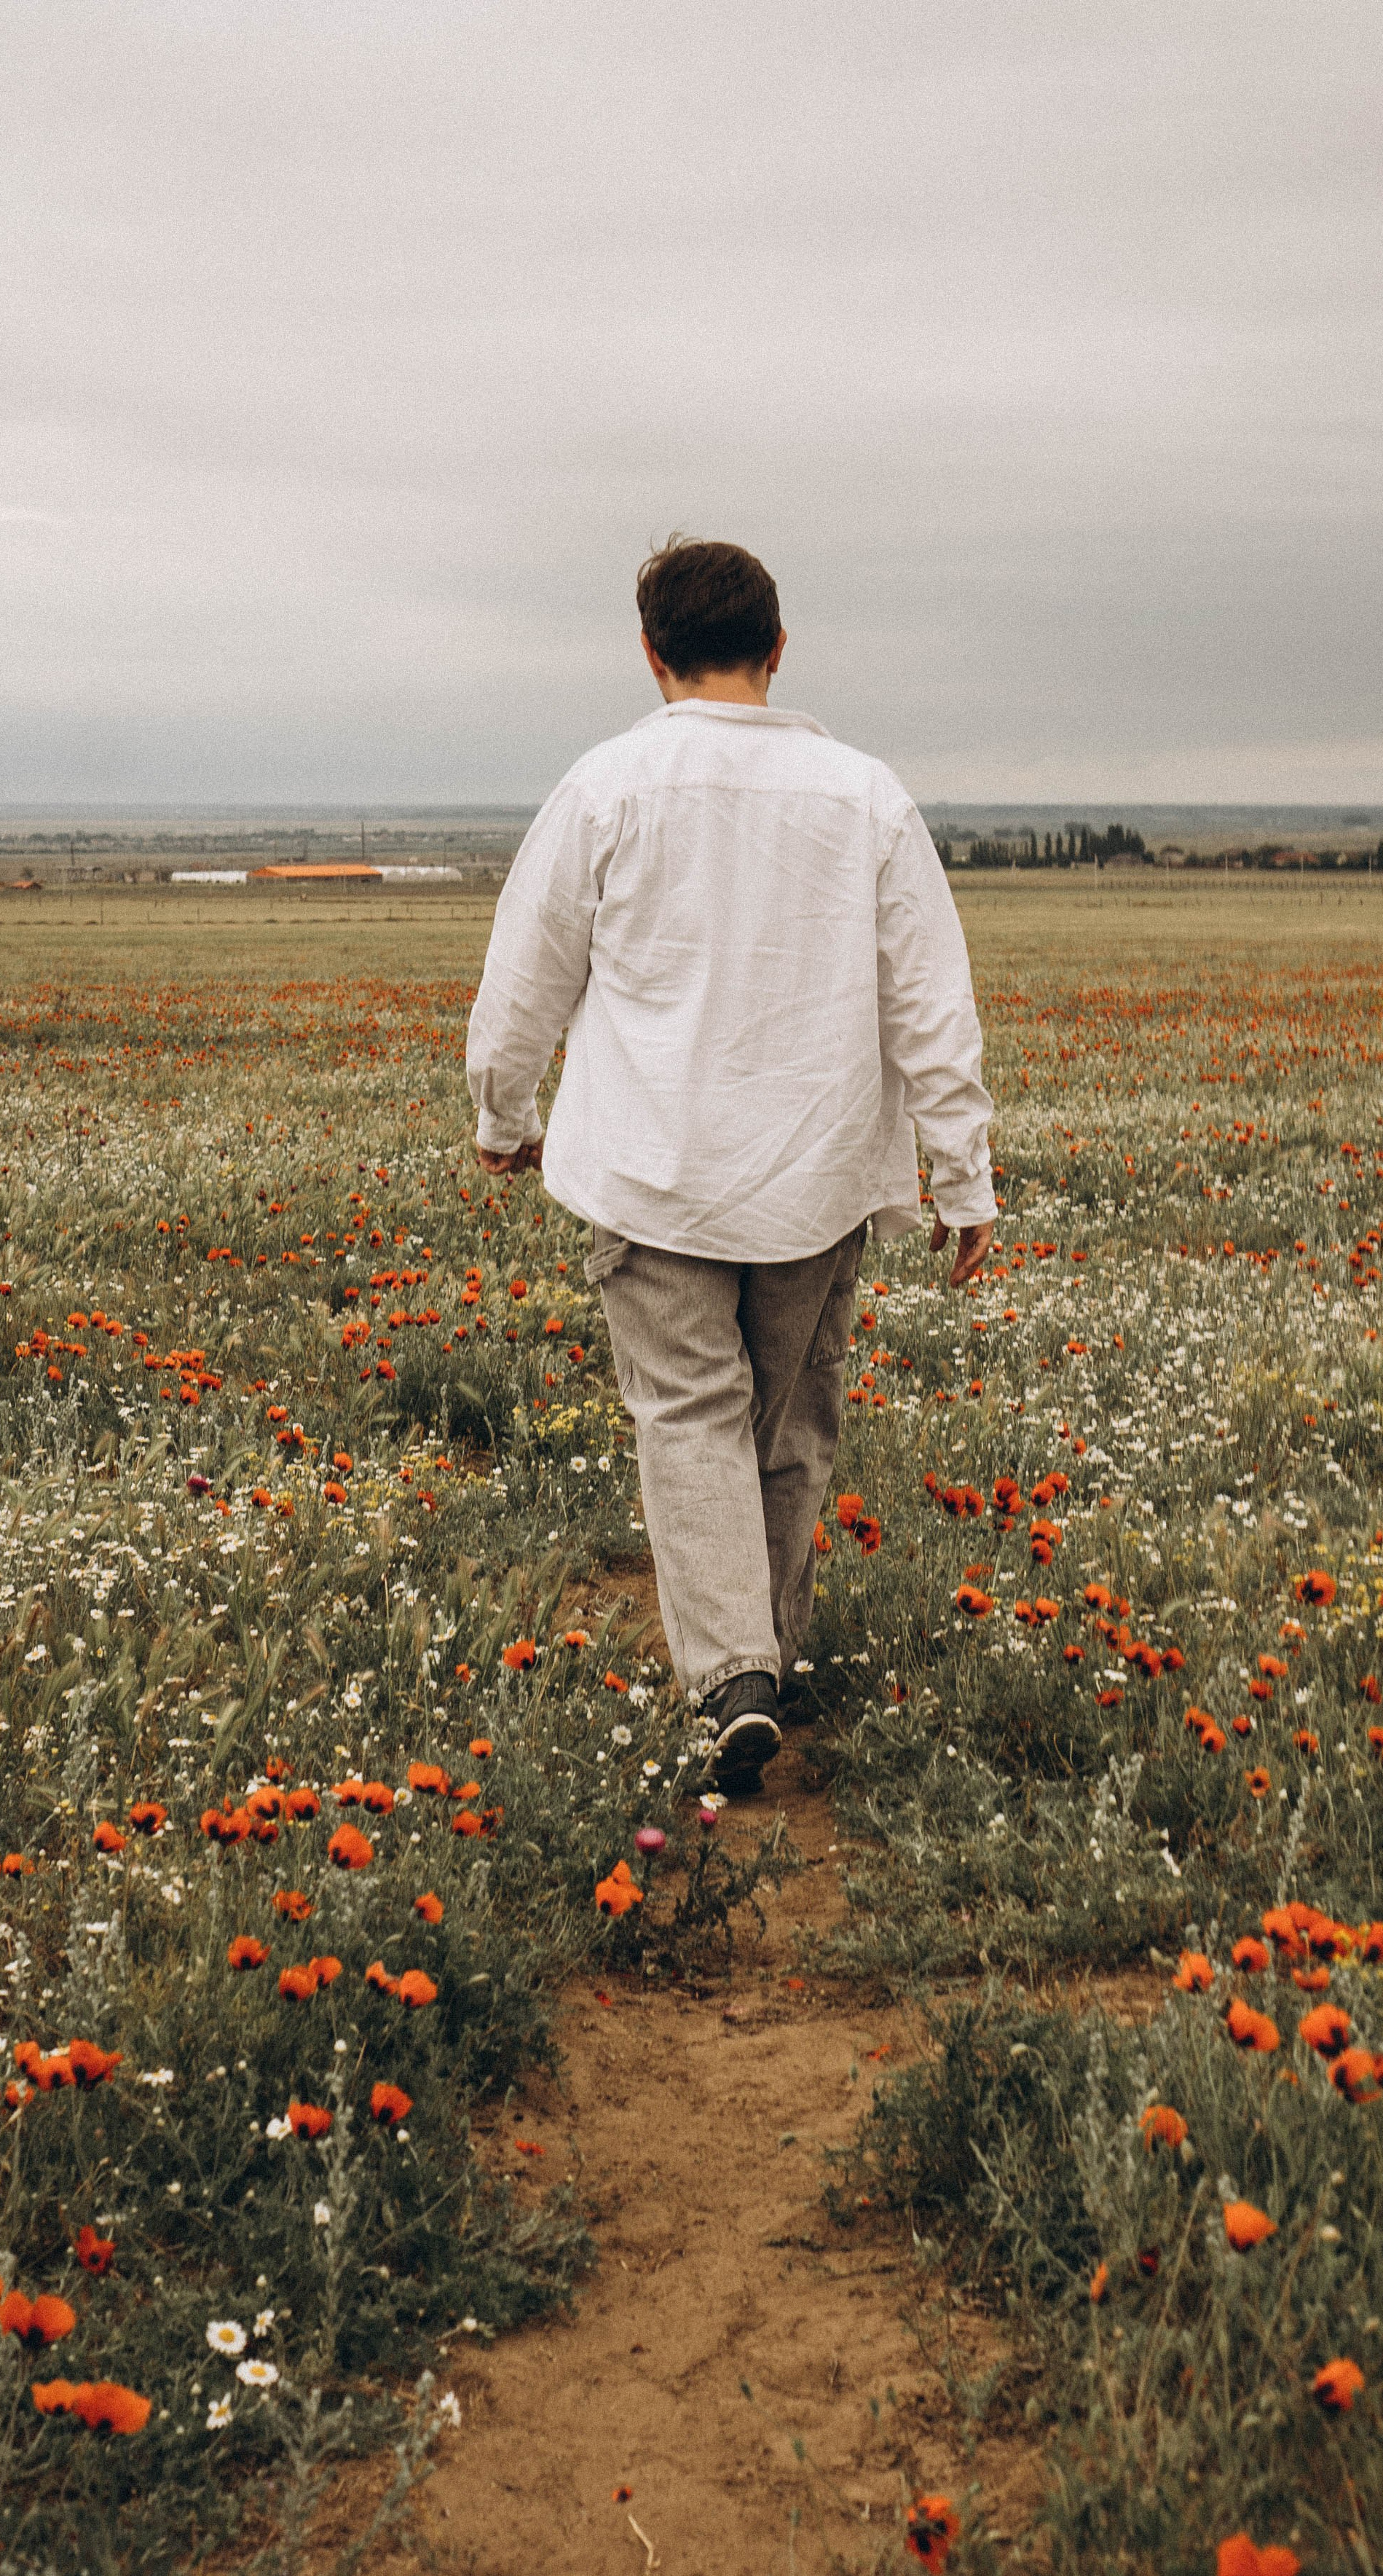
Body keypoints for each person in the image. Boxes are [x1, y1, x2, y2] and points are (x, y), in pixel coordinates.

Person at [465, 536, 995, 1790]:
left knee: (689, 1416)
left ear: (651, 653)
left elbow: (524, 975)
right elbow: (933, 999)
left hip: (649, 1169)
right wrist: (961, 1172)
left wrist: (501, 1115)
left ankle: (732, 1677)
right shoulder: (867, 795)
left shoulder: (605, 788)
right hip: (816, 1179)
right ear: (779, 646)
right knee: (789, 1421)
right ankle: (763, 1660)